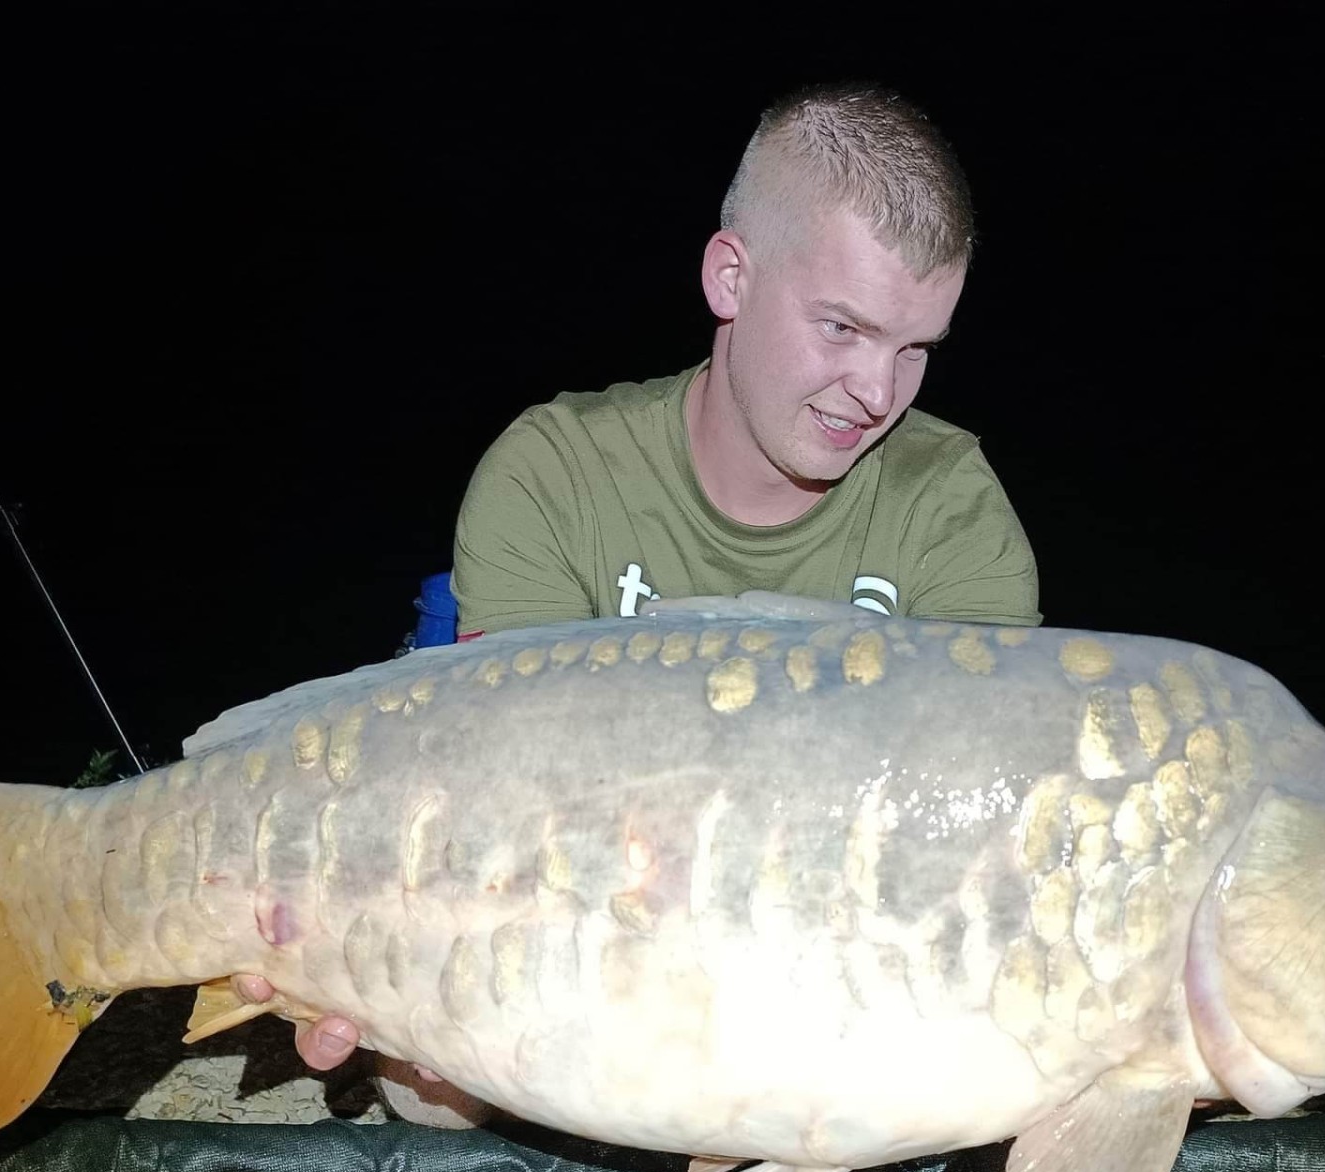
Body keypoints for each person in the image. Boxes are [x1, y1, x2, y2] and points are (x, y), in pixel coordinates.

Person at [237, 79, 1040, 1078]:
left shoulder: (952, 511)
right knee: (431, 1080)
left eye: (915, 348)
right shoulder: (554, 472)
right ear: (731, 279)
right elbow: (502, 814)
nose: (878, 393)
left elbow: (960, 850)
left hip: (822, 959)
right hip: (579, 926)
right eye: (842, 328)